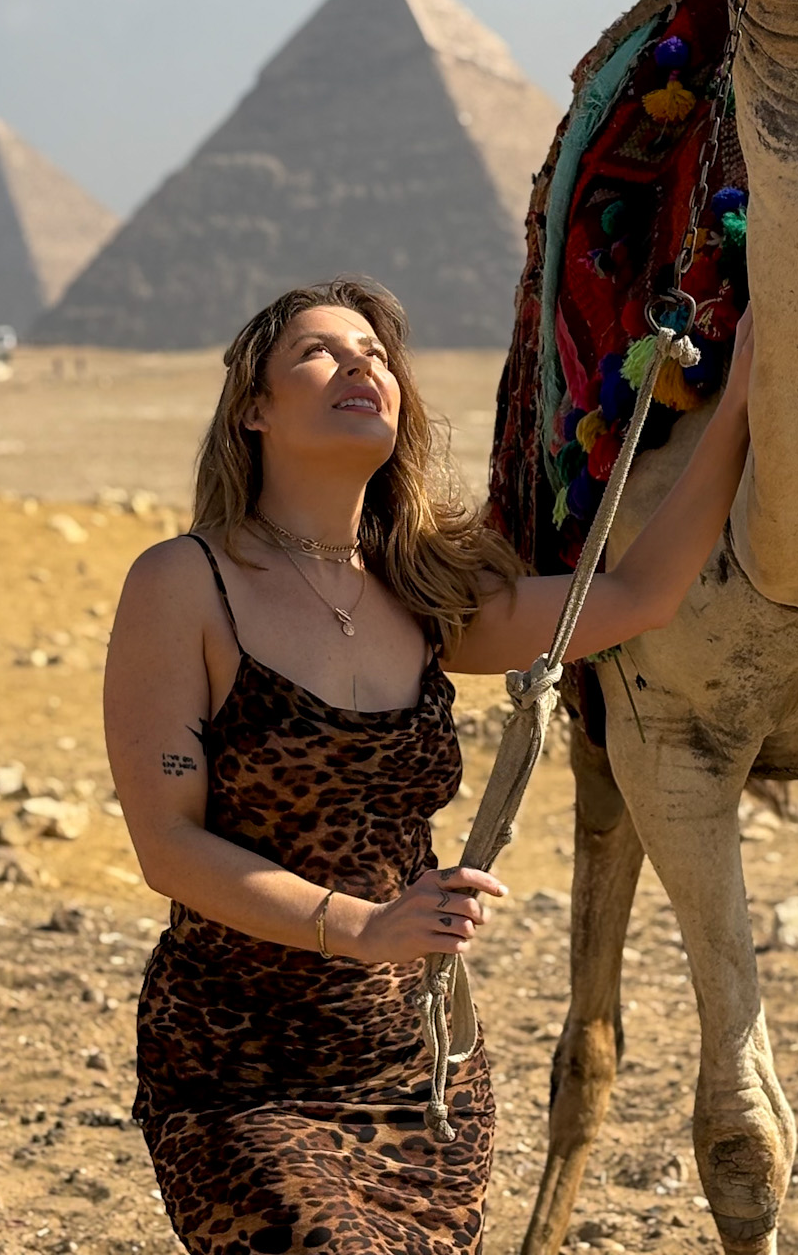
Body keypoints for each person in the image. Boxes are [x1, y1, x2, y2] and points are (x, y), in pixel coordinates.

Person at [104, 275, 752, 1253]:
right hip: (242, 1063)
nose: (359, 363)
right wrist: (359, 925)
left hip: (422, 1073)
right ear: (252, 407)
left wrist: (739, 399)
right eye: (318, 351)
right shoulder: (183, 582)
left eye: (374, 352)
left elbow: (634, 593)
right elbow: (167, 843)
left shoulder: (421, 592)